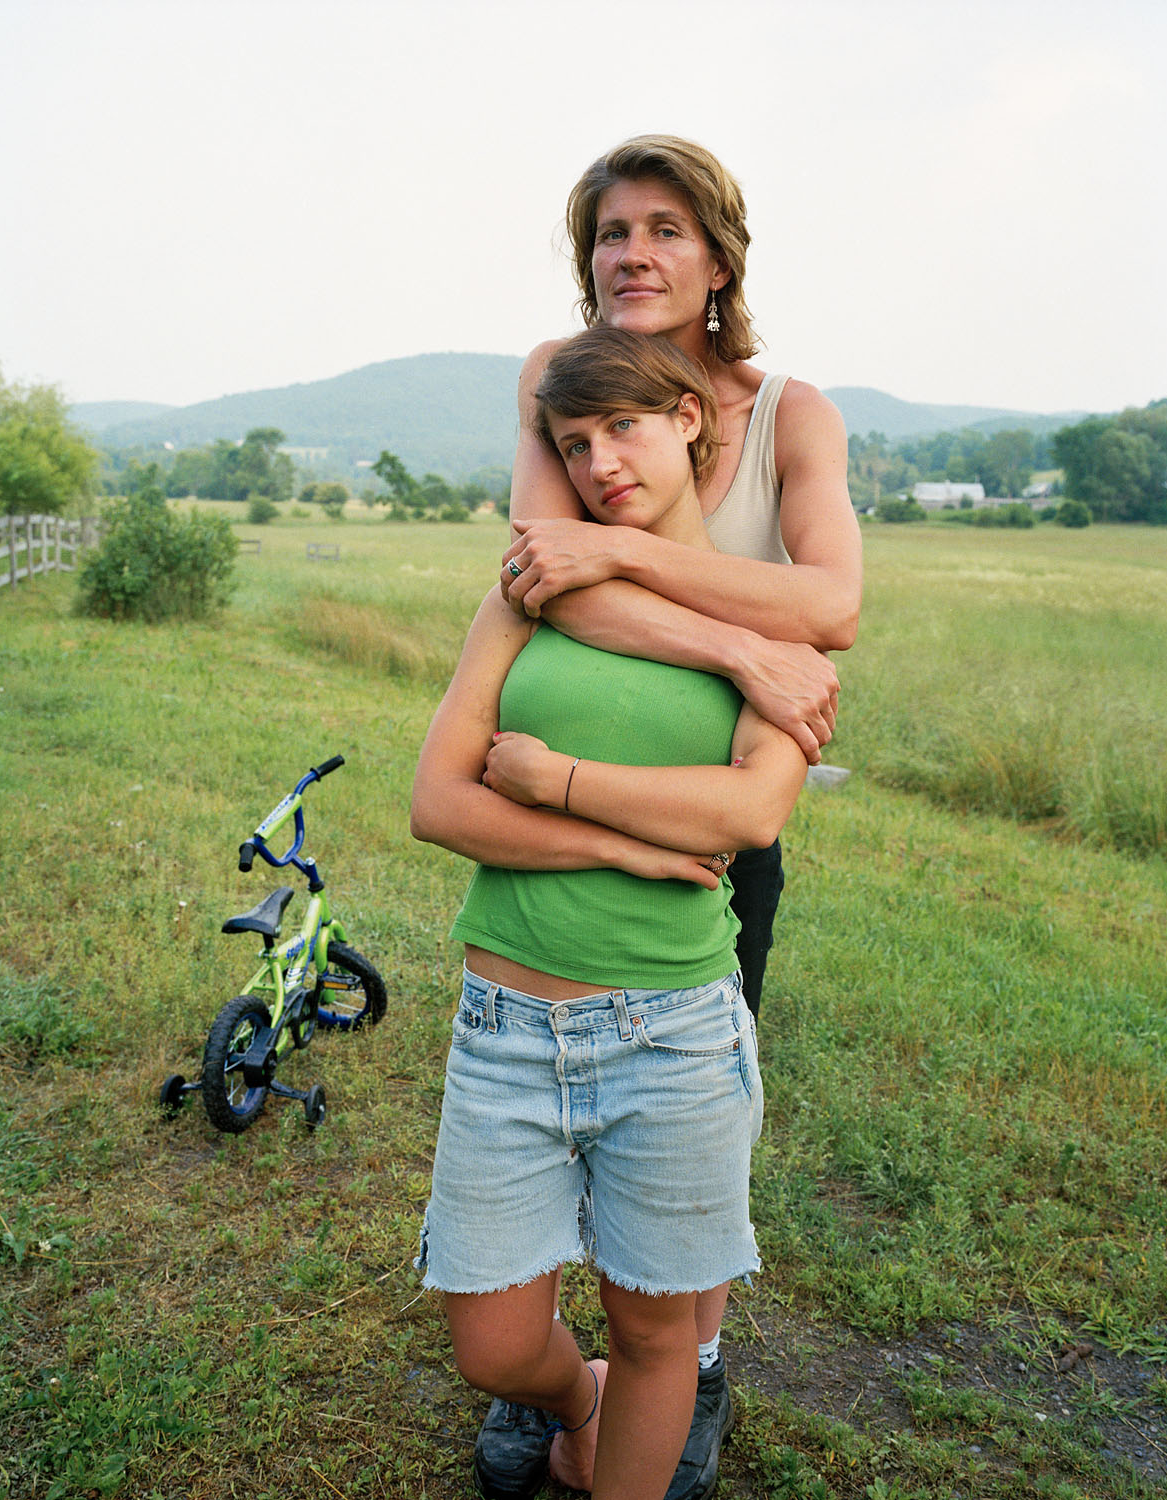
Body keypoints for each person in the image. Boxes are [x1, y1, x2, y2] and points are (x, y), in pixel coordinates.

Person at [482, 135, 863, 1500]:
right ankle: (581, 1371)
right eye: (606, 233)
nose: (630, 254)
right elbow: (548, 583)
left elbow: (832, 607)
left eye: (662, 228)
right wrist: (741, 643)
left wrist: (628, 552)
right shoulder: (559, 384)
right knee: (546, 1076)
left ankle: (684, 1367)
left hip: (712, 799)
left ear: (716, 257)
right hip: (561, 772)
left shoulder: (788, 413)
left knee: (694, 1089)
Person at [411, 327, 808, 1500]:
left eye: (623, 429)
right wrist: (619, 839)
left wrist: (555, 780)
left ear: (691, 421)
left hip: (672, 1038)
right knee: (490, 1344)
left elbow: (746, 809)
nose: (598, 465)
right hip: (504, 1031)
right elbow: (439, 802)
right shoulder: (529, 595)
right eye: (573, 444)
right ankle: (568, 1400)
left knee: (654, 1336)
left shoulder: (768, 632)